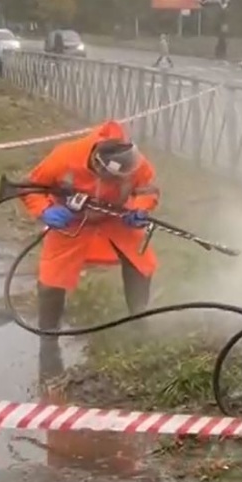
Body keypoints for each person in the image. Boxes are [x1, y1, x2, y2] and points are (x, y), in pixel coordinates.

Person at [19, 120, 160, 356]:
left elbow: (148, 188)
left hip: (115, 217)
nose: (120, 180)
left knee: (140, 262)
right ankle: (48, 335)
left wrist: (140, 208)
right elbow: (30, 186)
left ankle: (139, 318)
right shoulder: (64, 156)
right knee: (52, 276)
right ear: (98, 164)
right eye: (115, 177)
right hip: (71, 220)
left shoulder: (134, 161)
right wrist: (44, 210)